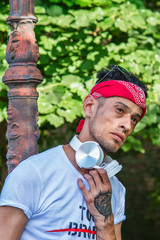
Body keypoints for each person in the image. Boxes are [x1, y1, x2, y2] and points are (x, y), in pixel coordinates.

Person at [0, 65, 148, 240]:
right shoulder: (34, 173)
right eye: (120, 110)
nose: (127, 125)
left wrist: (105, 224)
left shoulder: (116, 189)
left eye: (134, 119)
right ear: (89, 106)